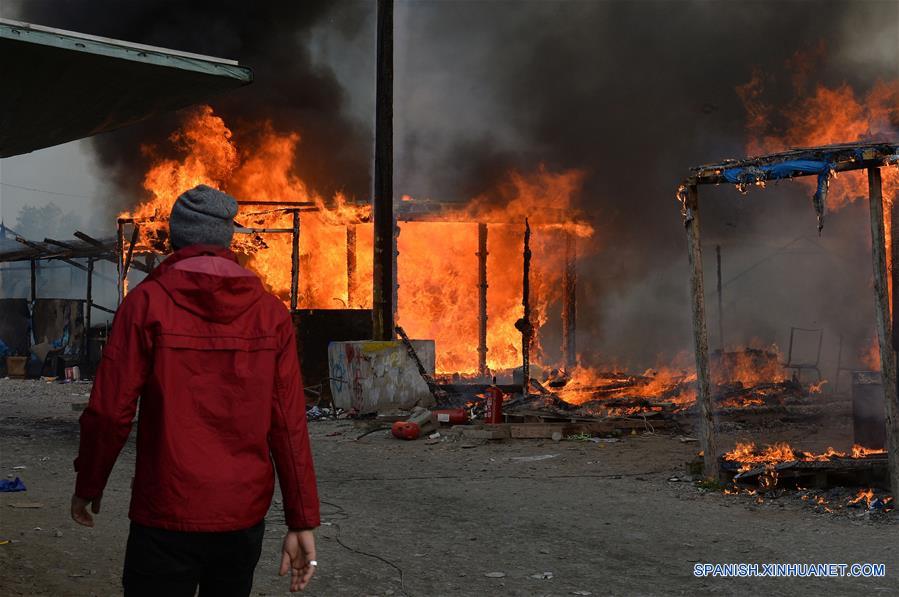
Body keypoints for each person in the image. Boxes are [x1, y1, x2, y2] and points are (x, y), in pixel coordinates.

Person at [71, 184, 320, 595]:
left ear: (174, 237)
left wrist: (89, 485)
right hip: (241, 517)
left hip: (166, 510)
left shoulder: (146, 303)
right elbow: (289, 425)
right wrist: (302, 519)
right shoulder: (270, 313)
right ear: (228, 236)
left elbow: (109, 412)